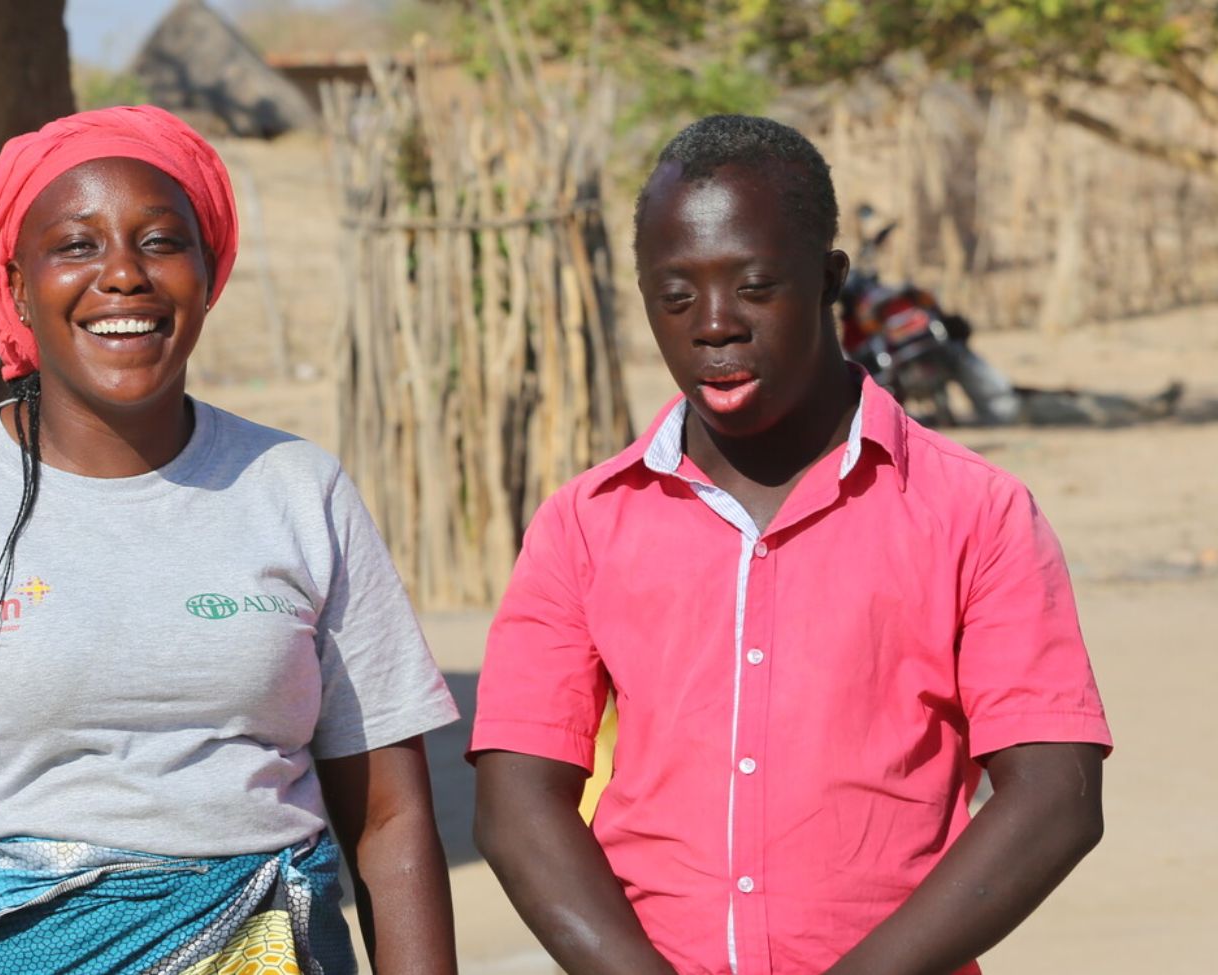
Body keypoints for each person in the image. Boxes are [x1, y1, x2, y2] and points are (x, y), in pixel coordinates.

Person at [0, 105, 461, 975]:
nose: (123, 276)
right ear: (17, 284)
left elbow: (390, 819)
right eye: (76, 244)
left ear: (209, 273)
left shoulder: (298, 489)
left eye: (159, 242)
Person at [470, 115, 1110, 975]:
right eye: (676, 296)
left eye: (756, 286)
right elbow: (518, 801)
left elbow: (1054, 797)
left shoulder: (974, 511)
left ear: (828, 279)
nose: (715, 324)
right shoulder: (584, 523)